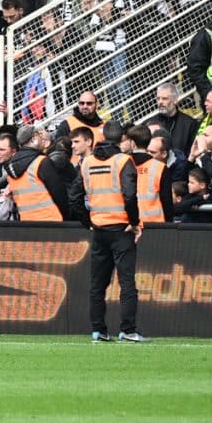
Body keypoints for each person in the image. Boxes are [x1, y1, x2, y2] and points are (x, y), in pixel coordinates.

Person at [76, 122, 145, 343]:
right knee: (127, 282)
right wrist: (134, 222)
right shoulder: (123, 160)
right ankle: (128, 330)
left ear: (102, 135)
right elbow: (130, 195)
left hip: (99, 229)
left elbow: (74, 197)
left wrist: (88, 221)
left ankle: (98, 330)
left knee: (97, 284)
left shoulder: (87, 162)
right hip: (121, 228)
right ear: (122, 137)